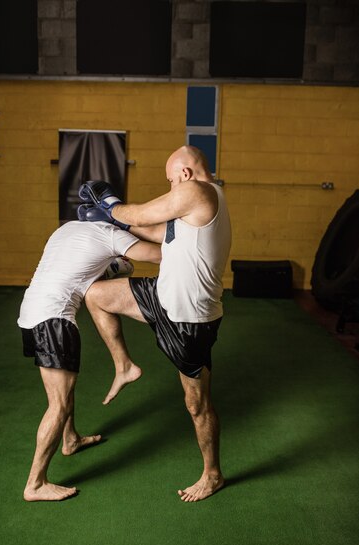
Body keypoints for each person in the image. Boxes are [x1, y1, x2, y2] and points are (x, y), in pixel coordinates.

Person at [78, 145, 232, 503]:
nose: (171, 186)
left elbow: (143, 213)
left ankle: (213, 474)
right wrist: (117, 222)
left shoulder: (199, 192)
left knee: (196, 404)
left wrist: (109, 203)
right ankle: (124, 366)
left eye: (170, 180)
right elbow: (161, 232)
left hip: (189, 317)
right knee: (97, 295)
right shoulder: (195, 205)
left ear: (186, 174)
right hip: (161, 295)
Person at [17, 220, 161, 502]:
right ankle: (35, 484)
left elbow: (79, 269)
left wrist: (113, 266)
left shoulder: (66, 228)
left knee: (65, 389)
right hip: (54, 318)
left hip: (30, 312)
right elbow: (157, 255)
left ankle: (70, 440)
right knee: (57, 404)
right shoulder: (110, 233)